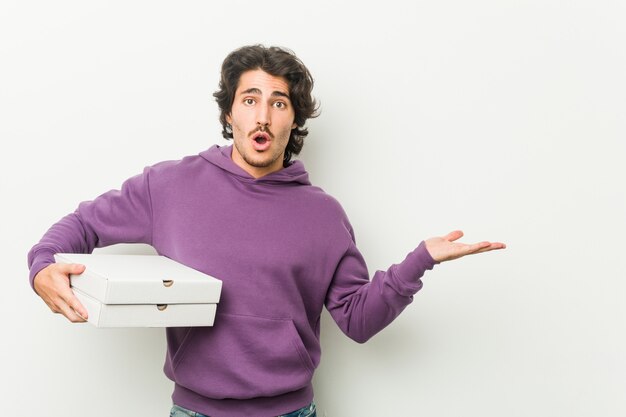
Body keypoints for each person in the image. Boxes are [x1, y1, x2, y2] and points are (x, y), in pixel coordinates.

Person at [27, 44, 506, 417]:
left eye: (278, 103)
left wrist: (419, 260)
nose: (262, 115)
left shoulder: (323, 215)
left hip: (291, 411)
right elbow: (83, 224)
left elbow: (358, 321)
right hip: (195, 409)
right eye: (249, 99)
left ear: (293, 118)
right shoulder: (170, 186)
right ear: (230, 112)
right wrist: (42, 266)